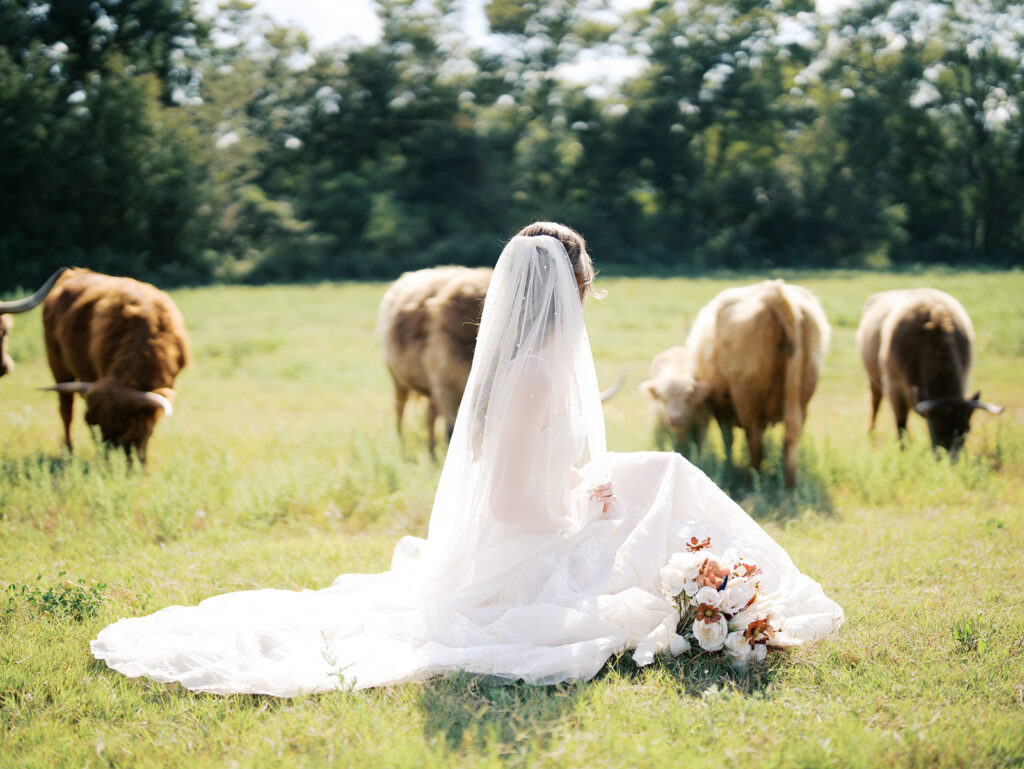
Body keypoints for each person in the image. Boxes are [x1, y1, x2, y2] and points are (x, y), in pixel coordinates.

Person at [92, 222, 843, 696]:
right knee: (661, 478)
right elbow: (516, 504)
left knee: (658, 470)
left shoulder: (530, 361)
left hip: (545, 514)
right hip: (520, 548)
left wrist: (583, 484)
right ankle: (730, 589)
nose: (588, 302)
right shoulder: (536, 372)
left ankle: (727, 586)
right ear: (567, 289)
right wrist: (582, 506)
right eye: (586, 289)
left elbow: (528, 472)